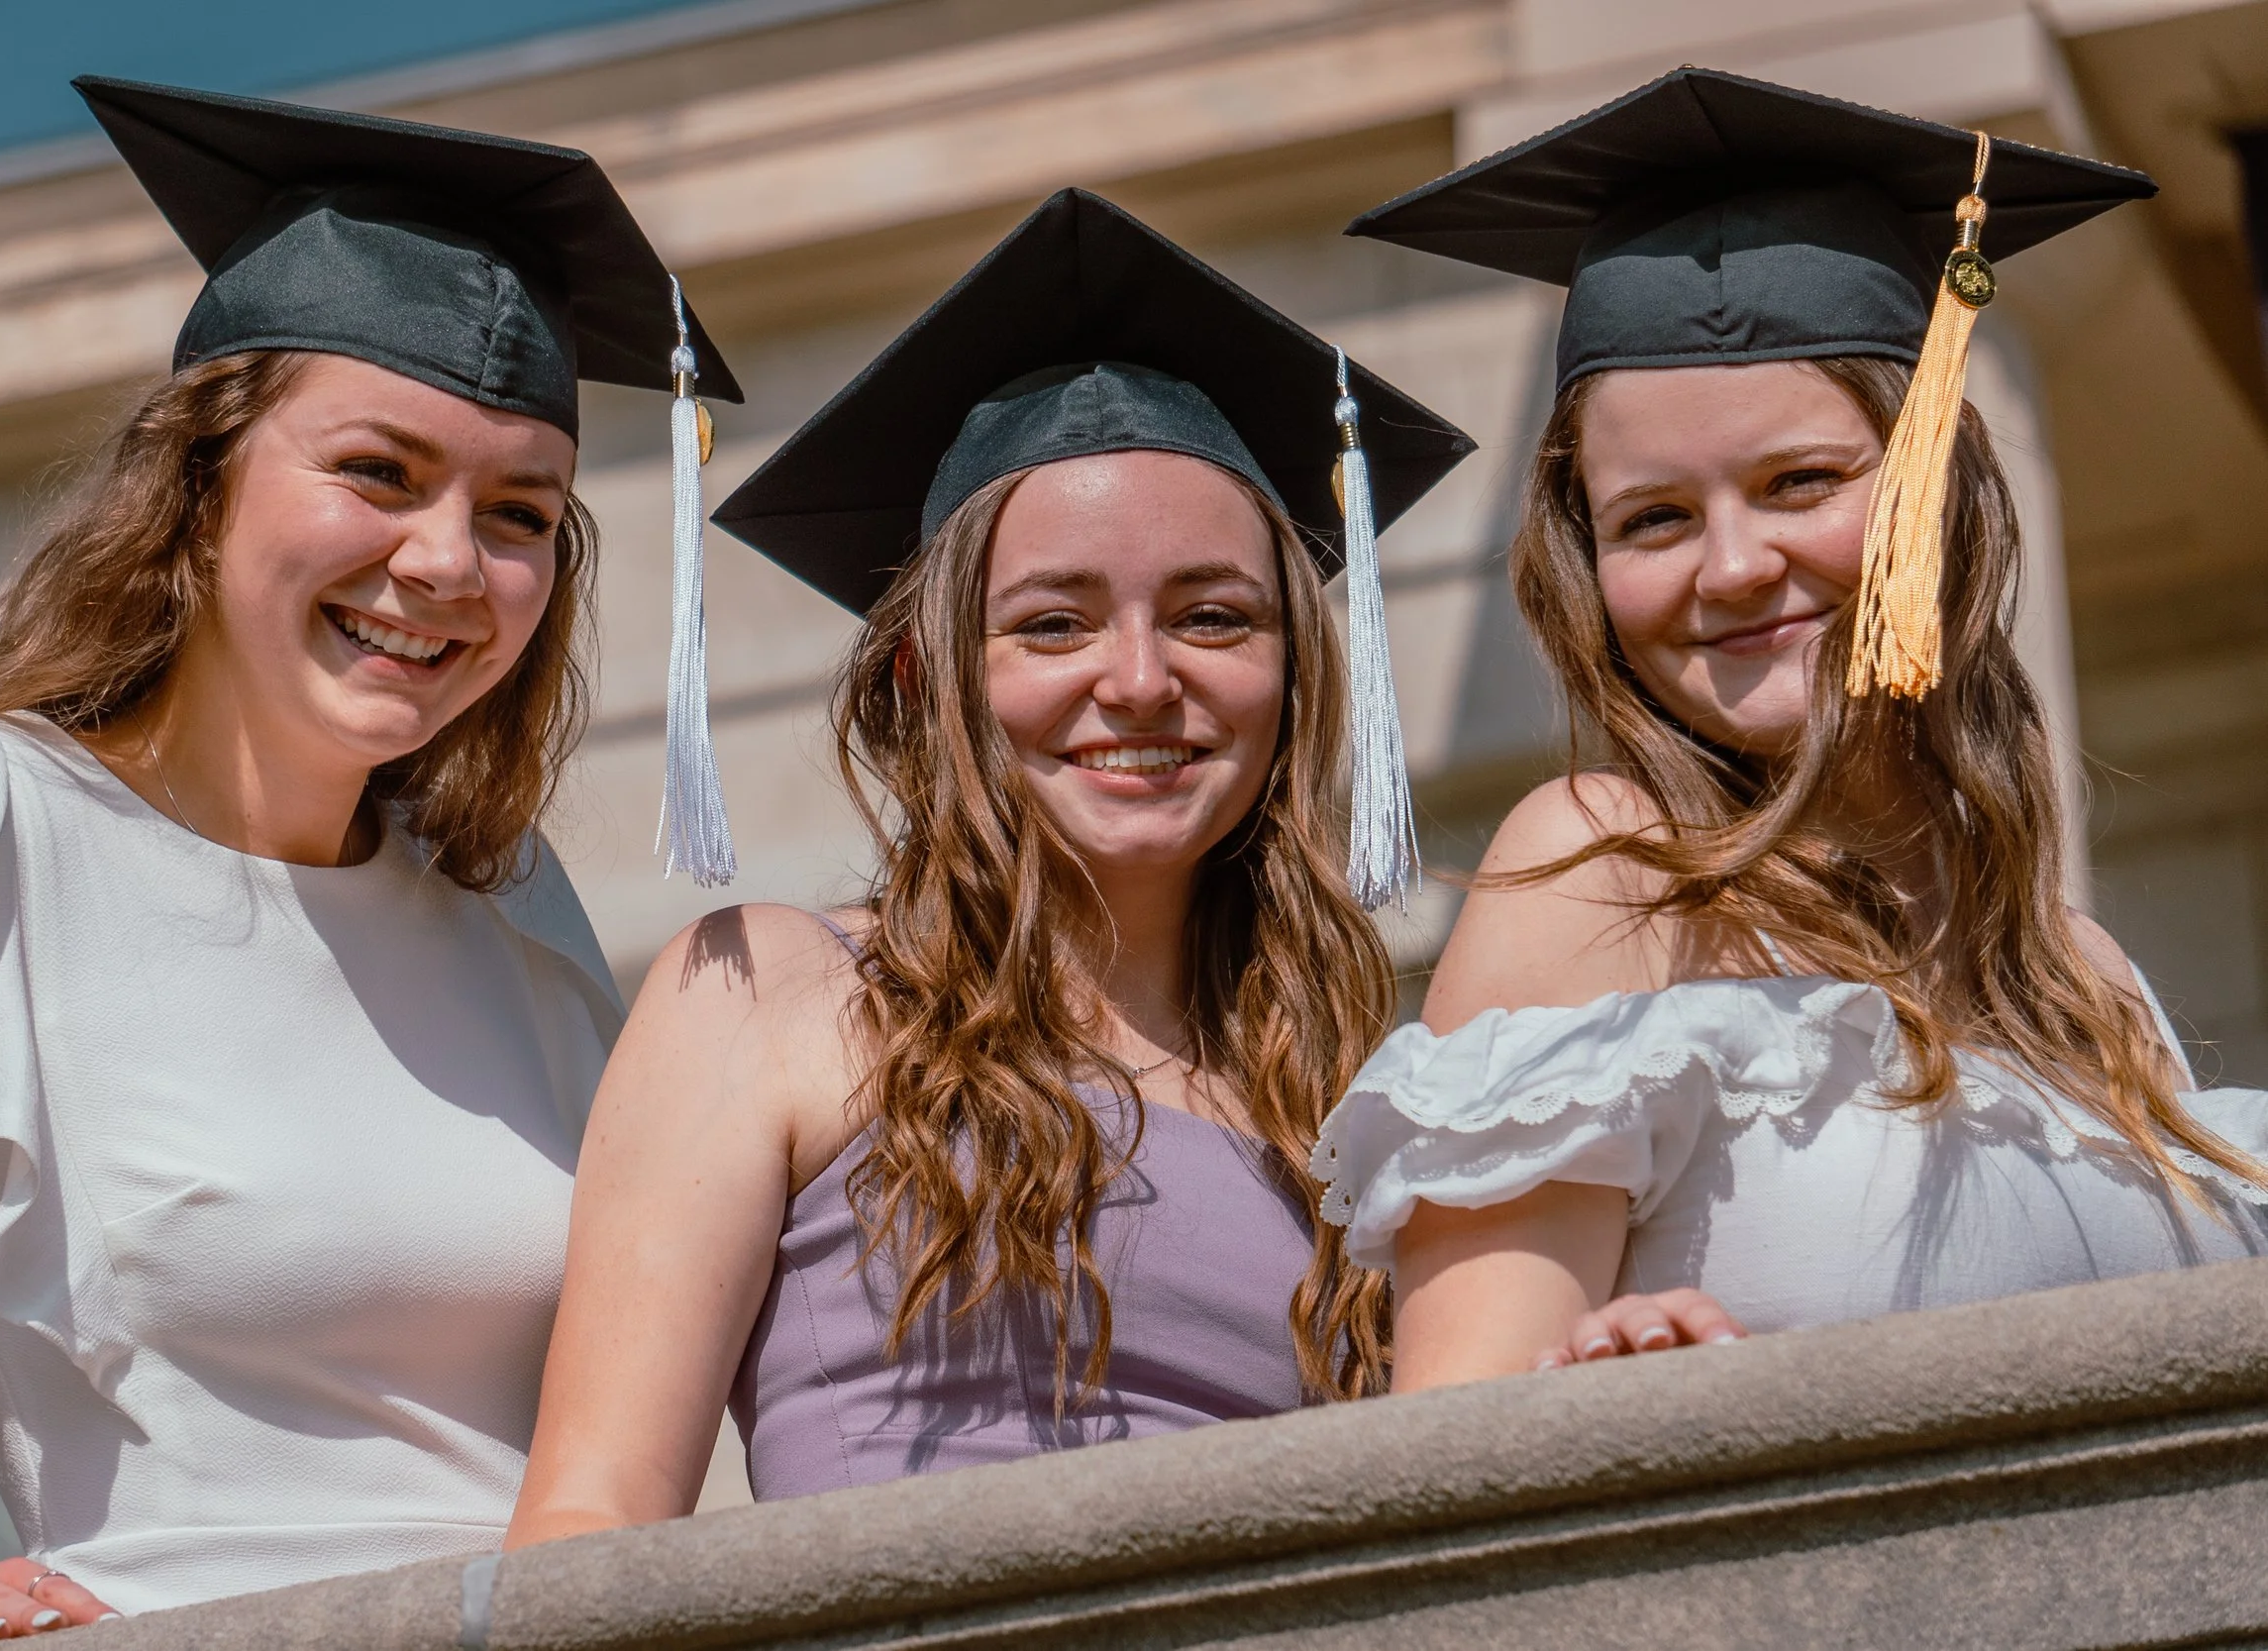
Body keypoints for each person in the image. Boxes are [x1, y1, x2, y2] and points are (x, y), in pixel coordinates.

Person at [0, 76, 739, 1645]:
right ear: (203, 477)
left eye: (518, 513)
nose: (447, 561)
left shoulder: (515, 909)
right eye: (378, 471)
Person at [504, 188, 1473, 1538]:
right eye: (1055, 623)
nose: (1140, 679)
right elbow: (595, 1514)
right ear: (933, 670)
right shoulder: (779, 992)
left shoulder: (1343, 1103)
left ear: (1296, 670)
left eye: (1211, 615)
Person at [1310, 68, 2268, 1392]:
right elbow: (1457, 1450)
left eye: (1799, 483)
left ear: (1936, 481)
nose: (1735, 565)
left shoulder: (2080, 973)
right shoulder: (1611, 873)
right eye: (1653, 517)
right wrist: (1606, 1394)